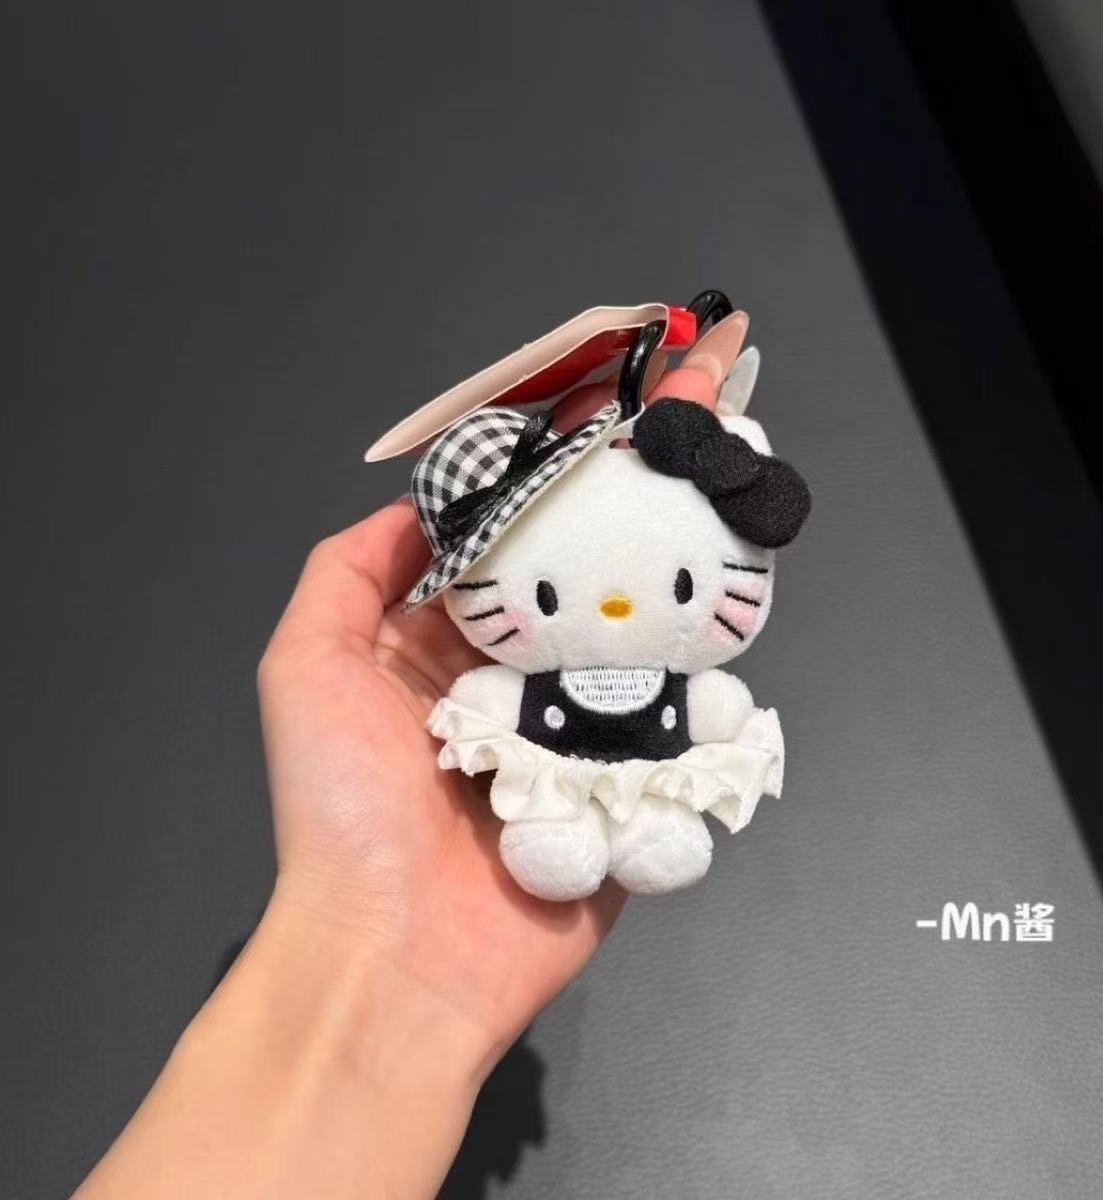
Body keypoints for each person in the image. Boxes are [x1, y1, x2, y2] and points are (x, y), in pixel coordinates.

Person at [75, 352, 728, 1198]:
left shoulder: (673, 659)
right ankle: (565, 833)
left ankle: (651, 827)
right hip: (548, 782)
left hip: (642, 776)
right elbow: (487, 704)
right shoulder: (511, 677)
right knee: (550, 824)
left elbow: (716, 711)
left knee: (656, 818)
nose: (611, 610)